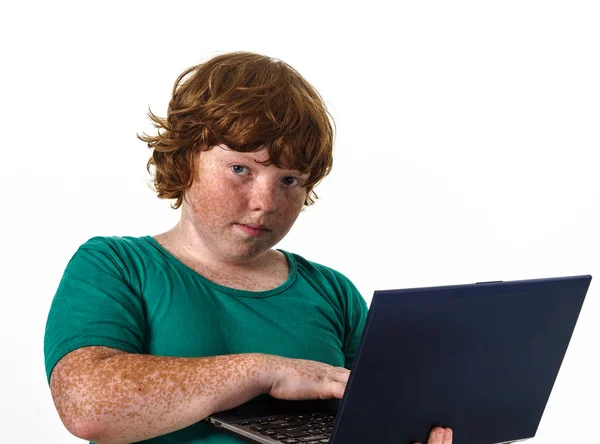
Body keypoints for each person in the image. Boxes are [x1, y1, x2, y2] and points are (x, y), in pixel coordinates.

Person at [44, 51, 453, 444]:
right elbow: (88, 406)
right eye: (241, 169)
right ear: (185, 160)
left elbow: (378, 419)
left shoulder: (332, 292)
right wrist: (263, 371)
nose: (266, 202)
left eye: (290, 180)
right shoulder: (116, 266)